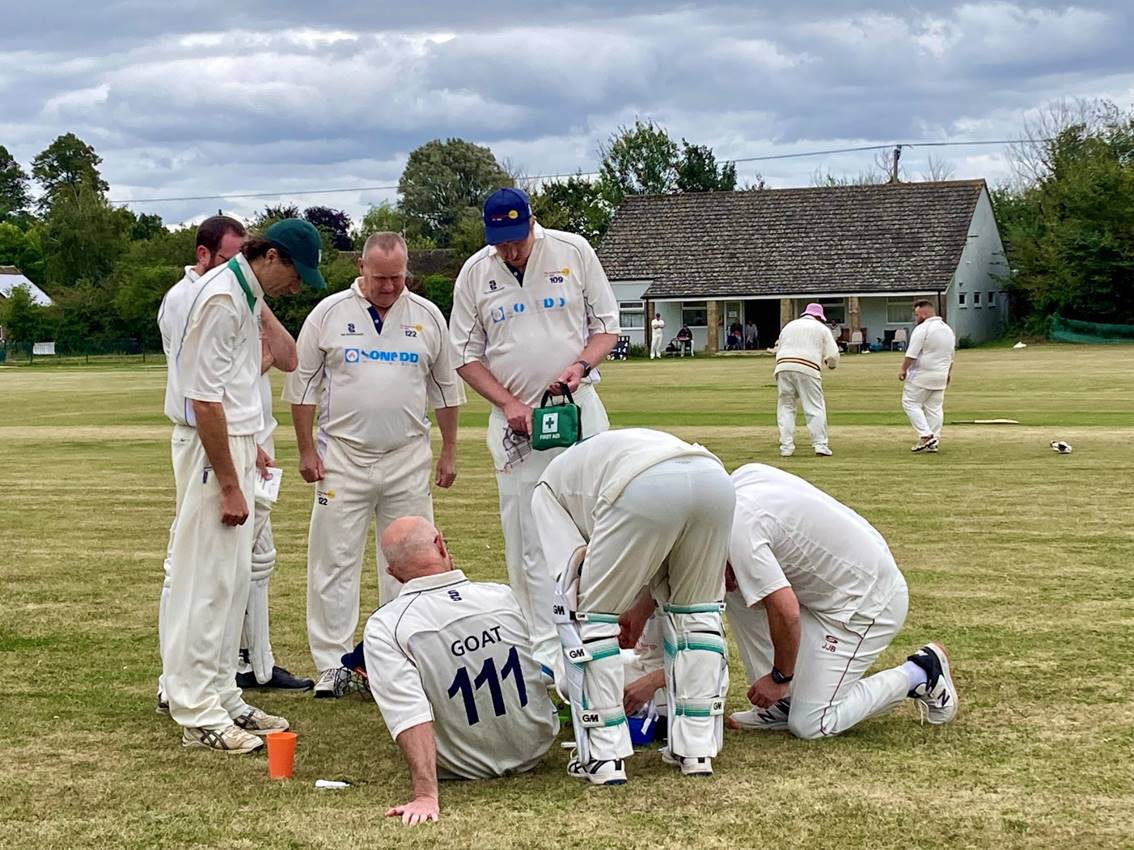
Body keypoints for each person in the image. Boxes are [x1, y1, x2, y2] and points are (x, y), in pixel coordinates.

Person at [160, 218, 326, 752]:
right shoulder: (221, 298)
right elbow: (204, 400)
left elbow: (250, 377)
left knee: (231, 583)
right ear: (271, 256)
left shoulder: (244, 293)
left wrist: (250, 443)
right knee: (205, 581)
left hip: (236, 443)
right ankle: (195, 710)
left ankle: (222, 693)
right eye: (296, 275)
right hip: (214, 450)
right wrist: (230, 483)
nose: (298, 287)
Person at [284, 232, 465, 698]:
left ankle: (398, 657)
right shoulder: (327, 315)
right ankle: (332, 664)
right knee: (333, 559)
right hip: (342, 456)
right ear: (361, 267)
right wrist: (306, 450)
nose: (389, 286)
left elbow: (445, 390)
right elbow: (302, 389)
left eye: (398, 276)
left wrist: (449, 450)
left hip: (407, 455)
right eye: (381, 277)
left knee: (410, 562)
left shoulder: (427, 316)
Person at [448, 187, 619, 673]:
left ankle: (595, 637)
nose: (510, 250)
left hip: (576, 408)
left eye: (516, 239)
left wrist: (581, 367)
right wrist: (508, 403)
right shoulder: (476, 272)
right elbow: (464, 353)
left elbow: (605, 325)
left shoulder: (573, 250)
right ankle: (543, 651)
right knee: (526, 538)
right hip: (515, 427)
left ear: (532, 222)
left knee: (595, 527)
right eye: (500, 241)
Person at [531, 428, 734, 783]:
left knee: (589, 618)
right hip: (713, 477)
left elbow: (573, 584)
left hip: (641, 485)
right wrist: (634, 608)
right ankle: (696, 750)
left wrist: (607, 606)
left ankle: (604, 757)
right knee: (697, 614)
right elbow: (655, 558)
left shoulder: (546, 493)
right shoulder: (593, 464)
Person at [725, 463, 958, 739]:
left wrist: (780, 677)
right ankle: (783, 705)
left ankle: (921, 673)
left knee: (811, 724)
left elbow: (786, 612)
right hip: (832, 589)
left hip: (867, 604)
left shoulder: (740, 531)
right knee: (737, 589)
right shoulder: (735, 486)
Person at [363, 516, 558, 827]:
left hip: (463, 766)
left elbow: (408, 710)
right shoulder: (501, 596)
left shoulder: (385, 626)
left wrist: (425, 794)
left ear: (393, 574)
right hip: (536, 747)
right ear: (440, 544)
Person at [773, 302, 839, 457]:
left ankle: (786, 446)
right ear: (819, 316)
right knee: (814, 407)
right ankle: (820, 445)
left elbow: (779, 346)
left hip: (783, 366)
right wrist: (831, 365)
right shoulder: (822, 328)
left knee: (786, 407)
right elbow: (833, 354)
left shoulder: (789, 326)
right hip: (807, 367)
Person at [899, 300, 956, 453]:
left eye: (917, 314)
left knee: (910, 403)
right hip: (941, 374)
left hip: (922, 374)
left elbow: (911, 354)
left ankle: (925, 435)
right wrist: (948, 374)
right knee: (934, 408)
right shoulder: (948, 330)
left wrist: (903, 369)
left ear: (923, 314)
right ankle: (933, 441)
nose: (916, 317)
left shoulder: (922, 329)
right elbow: (951, 356)